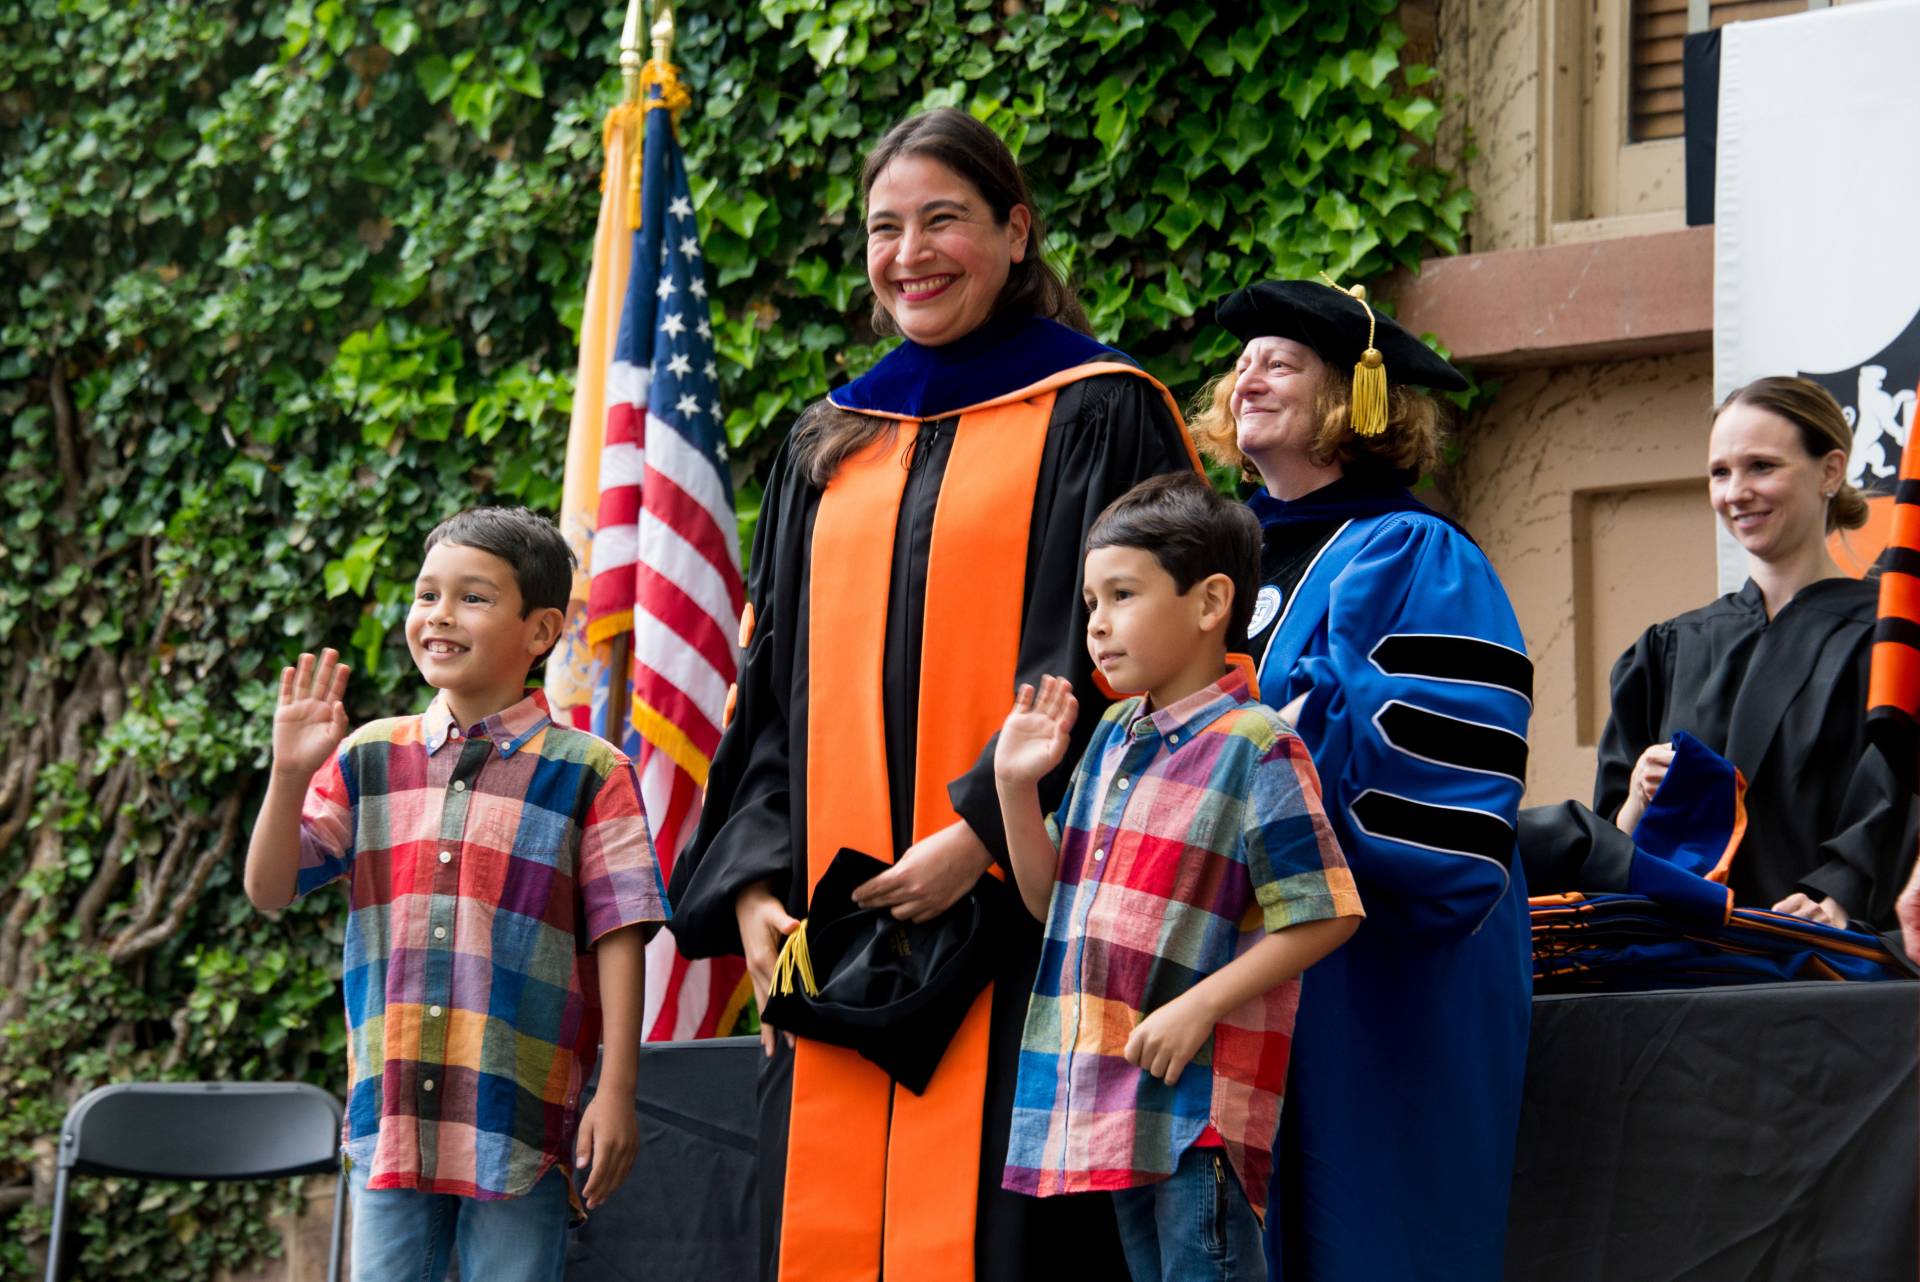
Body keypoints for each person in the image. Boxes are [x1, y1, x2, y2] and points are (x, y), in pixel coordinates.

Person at [665, 108, 1200, 1282]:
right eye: (884, 228)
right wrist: (757, 890)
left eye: (943, 220)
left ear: (1016, 232)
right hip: (837, 936)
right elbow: (772, 694)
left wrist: (984, 837)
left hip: (1018, 936)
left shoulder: (1101, 410)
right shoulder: (833, 439)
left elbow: (1131, 664)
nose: (910, 253)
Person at [1192, 279, 1534, 1281]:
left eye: (1281, 359)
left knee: (1366, 1237)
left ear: (1356, 397)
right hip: (1234, 950)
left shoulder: (1410, 548)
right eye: (1243, 358)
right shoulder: (1214, 555)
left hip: (1375, 958)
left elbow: (1428, 773)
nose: (1248, 371)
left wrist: (1260, 762)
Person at [242, 507, 667, 1282]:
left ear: (540, 631)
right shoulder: (369, 755)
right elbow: (270, 888)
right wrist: (288, 771)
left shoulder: (592, 771)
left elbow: (623, 930)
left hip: (519, 1122)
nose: (438, 615)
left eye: (472, 597)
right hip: (391, 1118)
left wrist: (619, 1090)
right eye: (425, 594)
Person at [993, 473, 1362, 1282]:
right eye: (1092, 602)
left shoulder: (1255, 743)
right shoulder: (1114, 737)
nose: (1097, 625)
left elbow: (1328, 911)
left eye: (1122, 595)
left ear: (1209, 602)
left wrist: (1200, 1005)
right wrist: (1016, 788)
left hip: (1201, 1108)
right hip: (1120, 1101)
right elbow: (1047, 899)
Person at [1596, 376, 1915, 929]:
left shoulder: (1888, 642)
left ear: (1830, 471)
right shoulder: (1669, 651)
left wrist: (1839, 894)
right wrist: (1636, 799)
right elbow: (1606, 841)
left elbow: (1899, 801)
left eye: (1762, 467)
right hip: (1681, 967)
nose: (1735, 492)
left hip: (1830, 968)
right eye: (1720, 472)